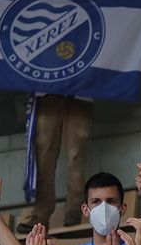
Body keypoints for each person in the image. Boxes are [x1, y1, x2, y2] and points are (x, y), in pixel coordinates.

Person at [27, 94, 95, 231]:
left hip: (80, 90)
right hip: (47, 91)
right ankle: (41, 214)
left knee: (76, 154)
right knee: (43, 156)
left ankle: (74, 211)